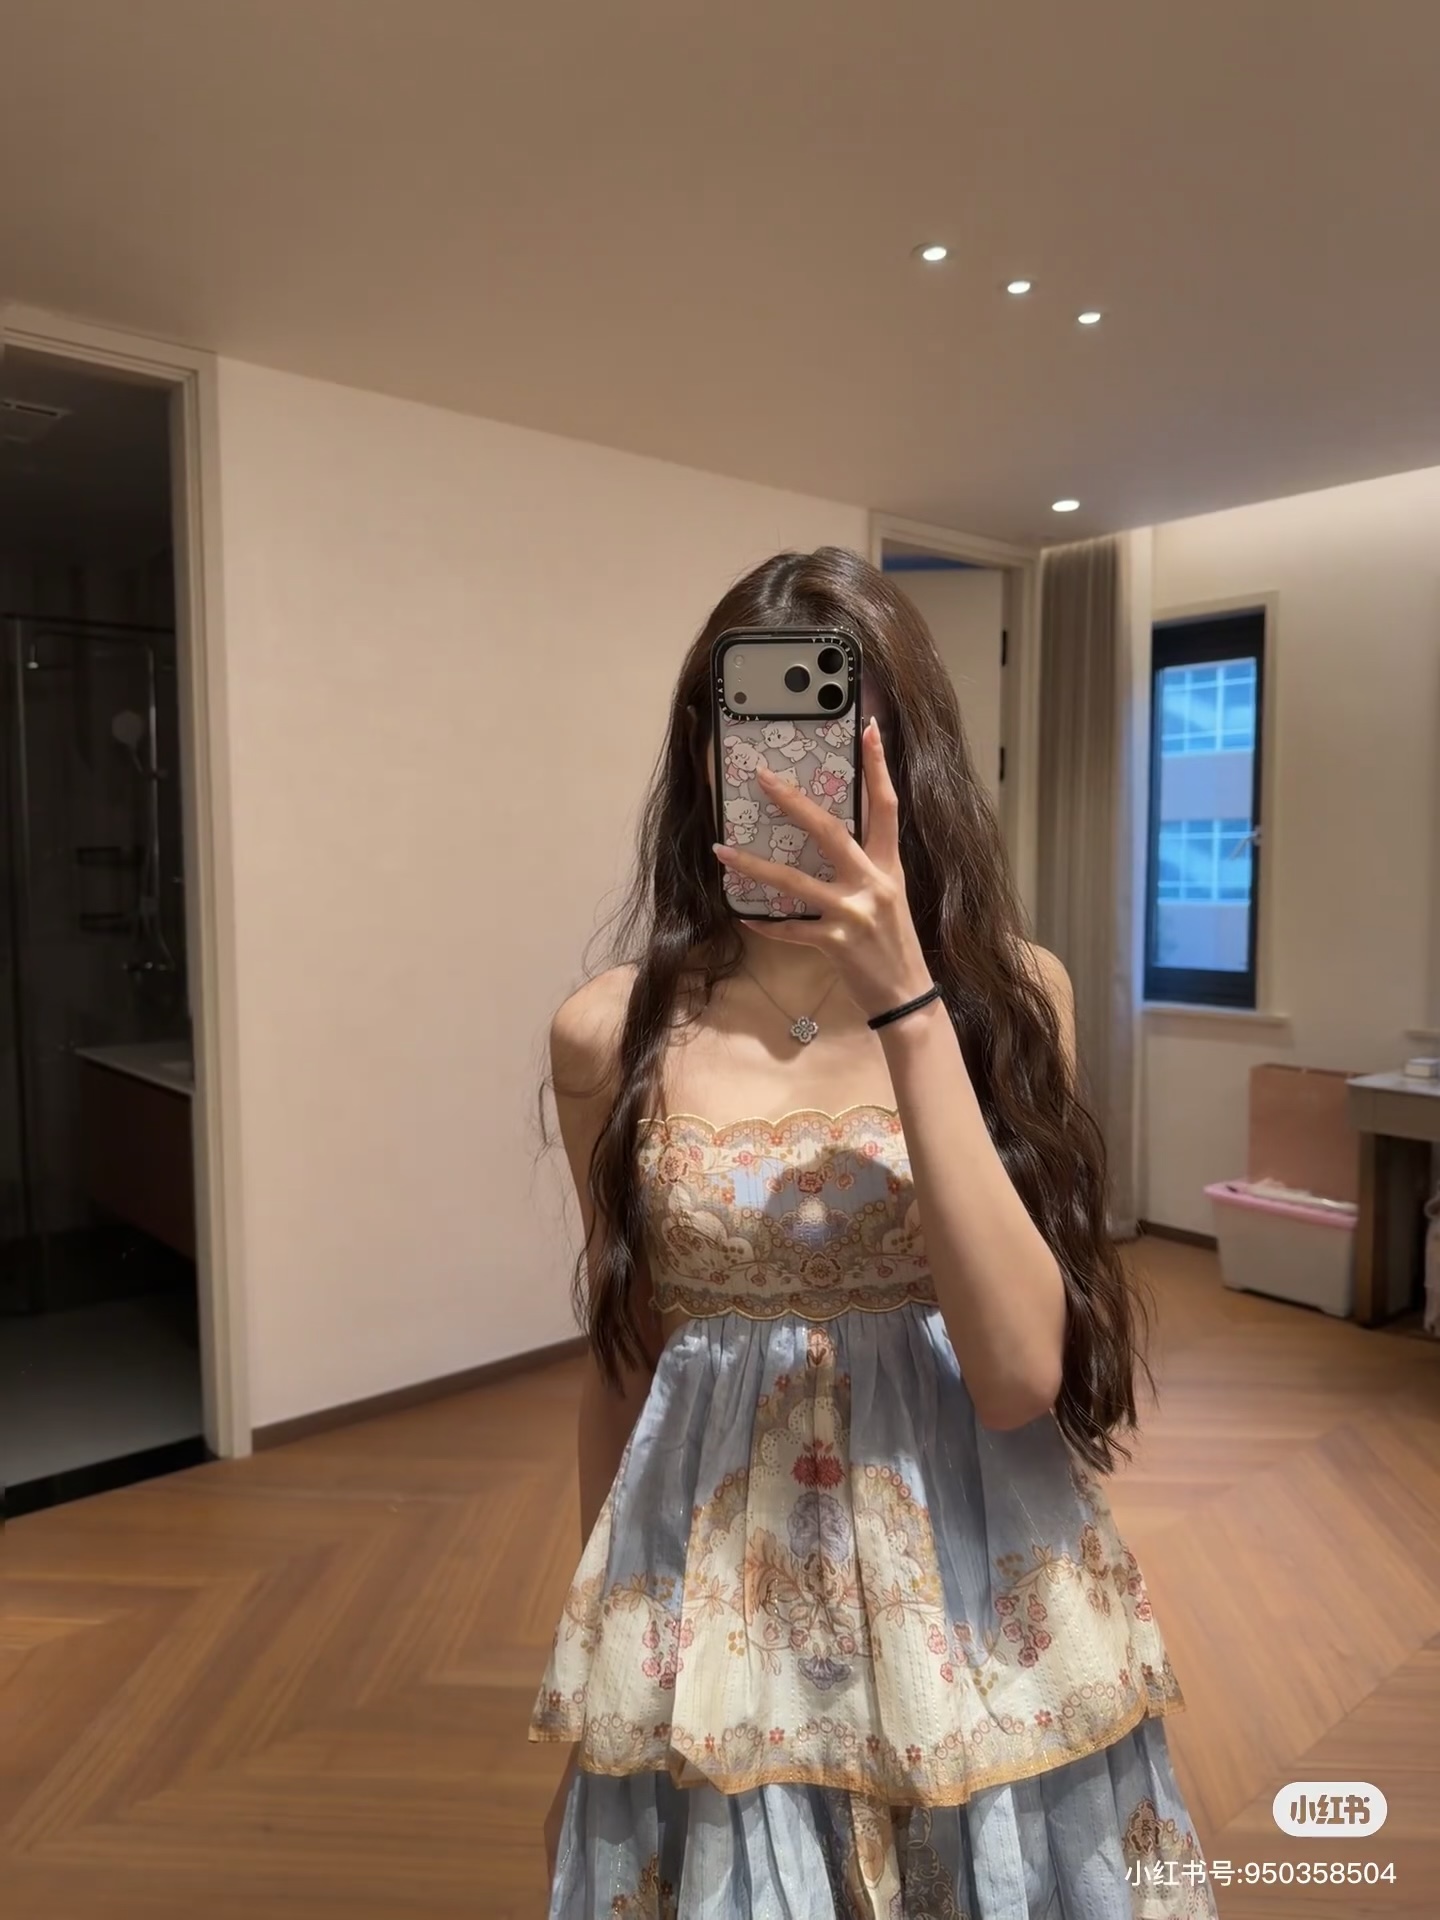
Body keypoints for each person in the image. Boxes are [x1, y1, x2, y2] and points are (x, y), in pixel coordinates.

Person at [530, 548, 1217, 1918]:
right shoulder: (612, 1033)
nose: (786, 779)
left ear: (905, 763)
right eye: (749, 736)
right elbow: (629, 1361)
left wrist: (907, 1001)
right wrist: (603, 1658)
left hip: (977, 1602)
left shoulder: (1011, 1001)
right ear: (703, 757)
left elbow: (1019, 1374)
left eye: (830, 738)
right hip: (716, 1609)